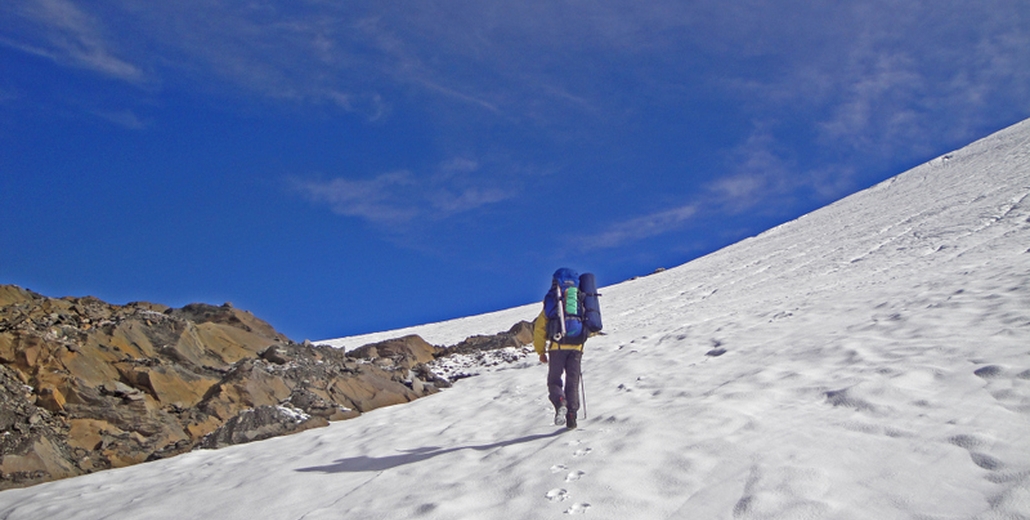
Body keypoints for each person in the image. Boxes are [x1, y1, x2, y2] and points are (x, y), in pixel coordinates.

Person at [533, 268, 587, 430]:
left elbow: (539, 329)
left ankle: (560, 401)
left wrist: (540, 351)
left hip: (557, 346)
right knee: (573, 381)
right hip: (576, 347)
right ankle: (572, 416)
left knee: (554, 380)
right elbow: (589, 322)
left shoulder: (552, 301)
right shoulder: (580, 300)